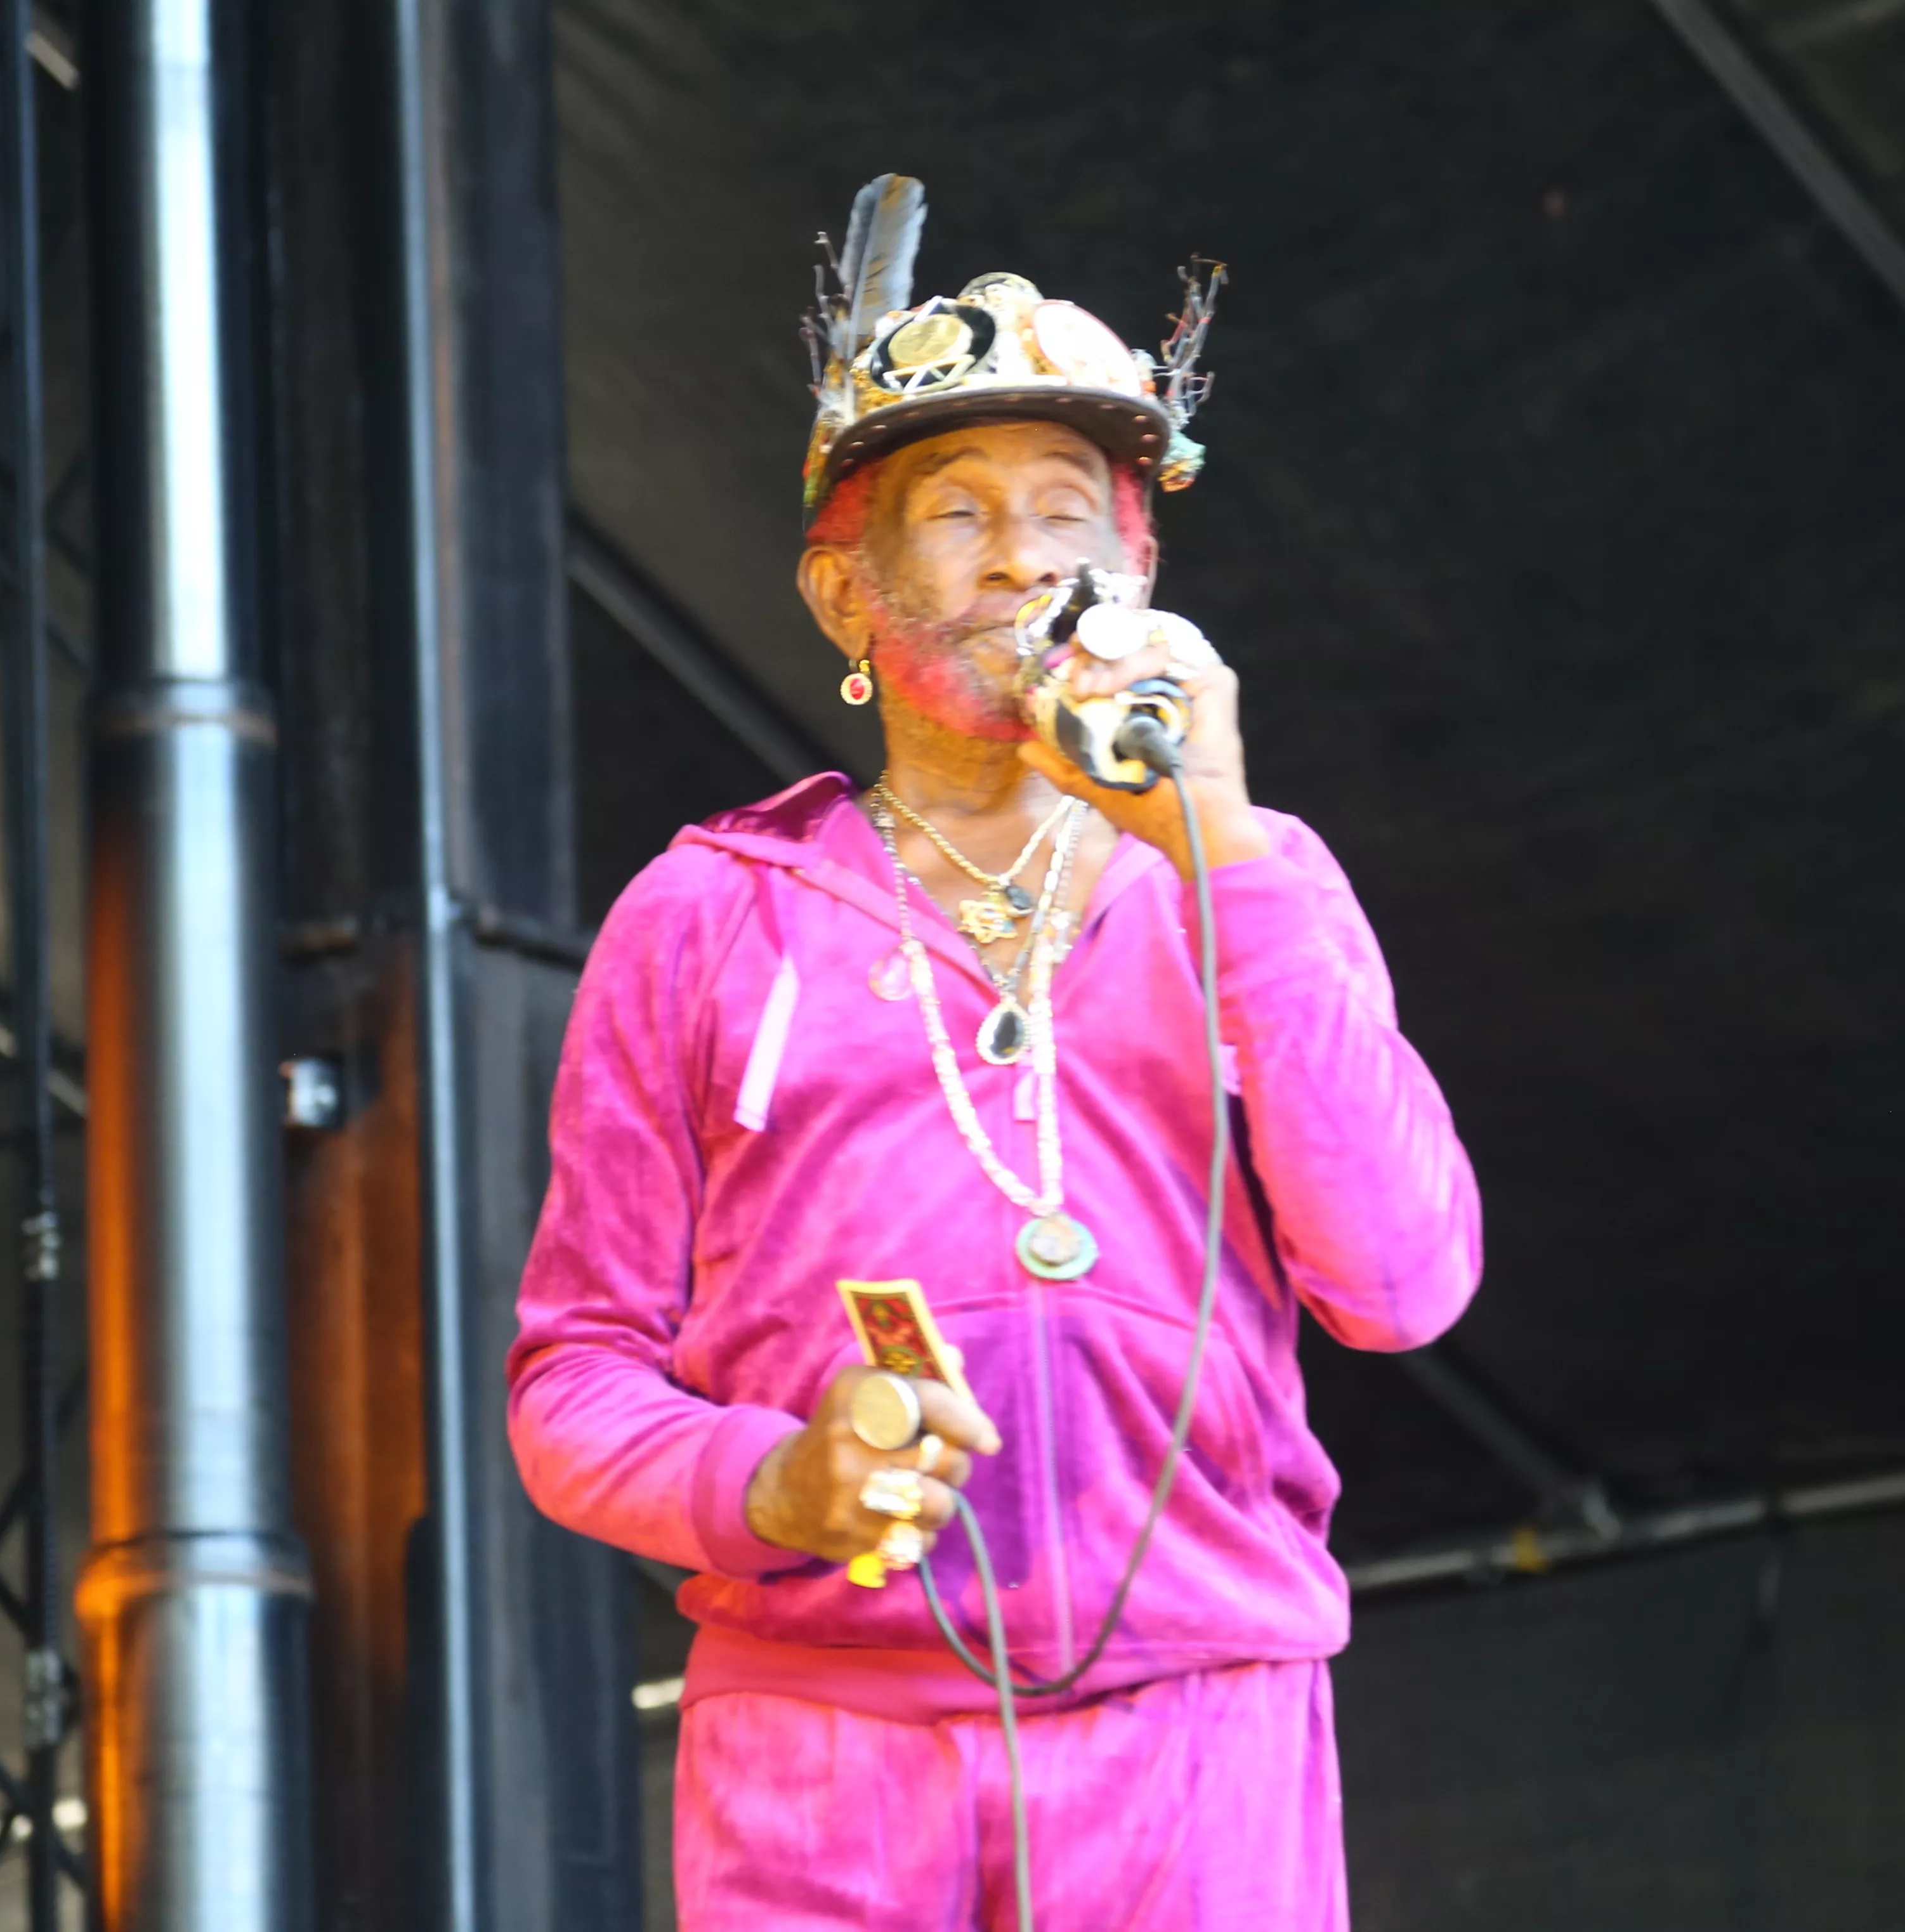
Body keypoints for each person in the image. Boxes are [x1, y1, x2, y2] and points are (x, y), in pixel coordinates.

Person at [507, 176, 1483, 1929]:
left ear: (1140, 575)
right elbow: (571, 1383)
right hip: (820, 1746)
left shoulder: (1252, 875)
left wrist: (1221, 849)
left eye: (1068, 513)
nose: (1029, 557)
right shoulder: (710, 908)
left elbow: (1401, 1283)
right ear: (842, 595)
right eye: (956, 512)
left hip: (1200, 1725)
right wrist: (778, 1478)